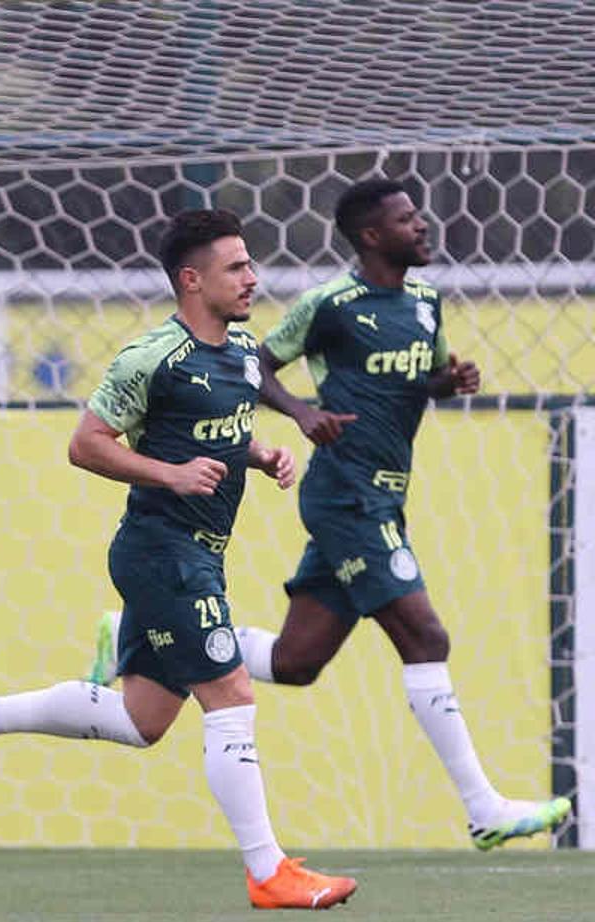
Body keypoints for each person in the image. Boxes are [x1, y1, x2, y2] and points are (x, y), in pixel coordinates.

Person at [0, 208, 359, 910]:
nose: (253, 277)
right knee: (233, 696)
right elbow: (86, 443)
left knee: (142, 720)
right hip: (162, 554)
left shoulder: (243, 351)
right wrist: (171, 475)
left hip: (199, 555)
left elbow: (212, 435)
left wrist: (260, 453)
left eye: (250, 264)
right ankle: (266, 870)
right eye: (236, 267)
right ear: (192, 280)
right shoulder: (150, 357)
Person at [213, 178, 565, 849]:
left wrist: (446, 385)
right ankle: (483, 808)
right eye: (408, 219)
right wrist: (302, 411)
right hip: (345, 493)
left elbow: (415, 382)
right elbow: (252, 365)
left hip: (383, 495)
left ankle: (149, 632)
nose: (423, 225)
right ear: (372, 235)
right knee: (426, 638)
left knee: (296, 661)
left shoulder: (427, 302)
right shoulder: (331, 304)